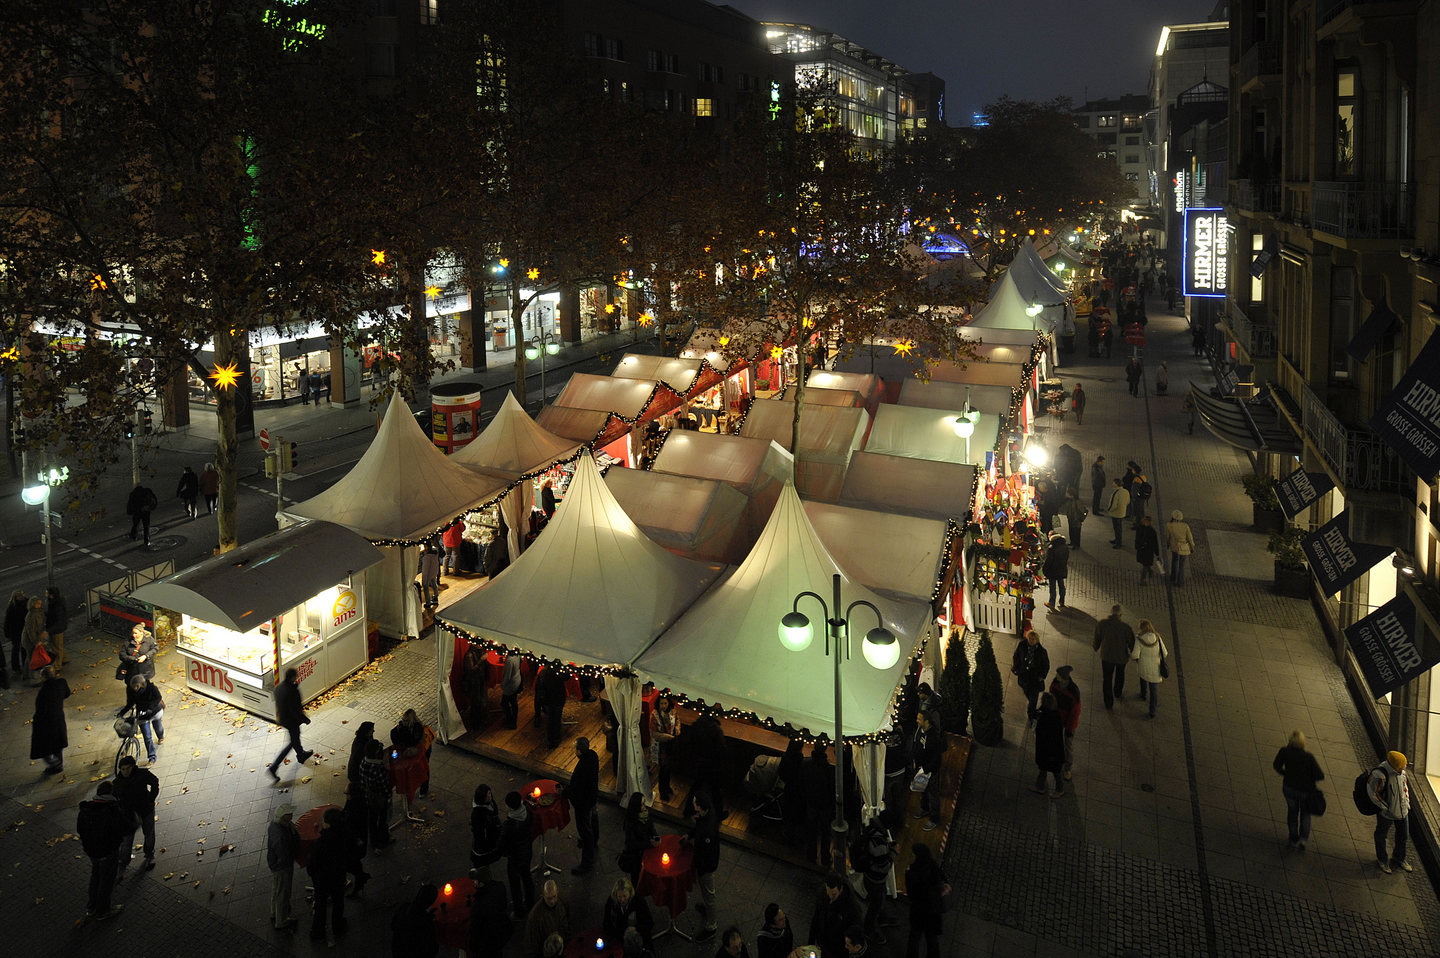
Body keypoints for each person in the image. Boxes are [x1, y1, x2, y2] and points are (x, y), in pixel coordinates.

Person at [77, 780, 134, 921]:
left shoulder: (85, 810)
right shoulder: (111, 811)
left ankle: (91, 907)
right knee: (107, 880)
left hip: (92, 852)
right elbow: (126, 828)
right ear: (111, 794)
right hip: (108, 852)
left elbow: (80, 830)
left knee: (95, 876)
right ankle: (102, 911)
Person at [1272, 730, 1324, 849]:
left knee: (1292, 812)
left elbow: (1276, 765)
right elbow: (1320, 775)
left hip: (1289, 788)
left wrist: (1286, 774)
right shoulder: (1308, 757)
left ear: (1290, 741)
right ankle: (1303, 840)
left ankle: (1293, 837)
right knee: (1305, 814)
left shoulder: (1284, 751)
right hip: (1305, 791)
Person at [307, 807, 350, 944]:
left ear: (328, 823)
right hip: (338, 876)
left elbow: (312, 864)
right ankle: (338, 926)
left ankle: (318, 932)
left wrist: (313, 874)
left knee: (320, 904)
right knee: (338, 901)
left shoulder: (321, 842)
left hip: (322, 880)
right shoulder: (343, 836)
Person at [114, 755, 160, 874]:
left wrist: (151, 799)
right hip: (129, 815)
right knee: (127, 841)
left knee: (148, 833)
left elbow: (154, 781)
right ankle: (123, 863)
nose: (125, 771)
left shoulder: (141, 774)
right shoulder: (117, 783)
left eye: (128, 768)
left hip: (145, 810)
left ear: (133, 767)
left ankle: (149, 855)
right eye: (123, 769)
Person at [686, 789, 721, 942]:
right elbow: (699, 827)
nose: (693, 803)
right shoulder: (708, 812)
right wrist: (690, 835)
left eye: (695, 802)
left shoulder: (708, 829)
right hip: (707, 863)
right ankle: (707, 908)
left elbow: (706, 853)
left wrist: (700, 869)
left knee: (709, 894)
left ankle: (711, 926)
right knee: (707, 892)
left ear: (699, 807)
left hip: (706, 866)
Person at [1369, 751, 1413, 873]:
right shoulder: (1379, 775)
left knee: (1403, 835)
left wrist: (1406, 803)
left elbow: (1404, 788)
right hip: (1387, 814)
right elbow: (1372, 793)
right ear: (1396, 766)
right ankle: (1382, 859)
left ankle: (1399, 857)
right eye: (1403, 764)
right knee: (1381, 835)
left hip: (1402, 811)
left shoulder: (1402, 773)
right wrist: (1385, 807)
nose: (1406, 766)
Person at [683, 707, 728, 821]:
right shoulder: (716, 729)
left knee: (696, 786)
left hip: (700, 761)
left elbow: (691, 742)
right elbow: (721, 749)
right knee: (716, 790)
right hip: (713, 764)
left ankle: (688, 810)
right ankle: (718, 814)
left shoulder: (696, 725)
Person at [904, 844, 949, 958]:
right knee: (931, 937)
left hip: (918, 911)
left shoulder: (912, 872)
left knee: (915, 937)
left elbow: (911, 894)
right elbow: (938, 871)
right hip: (933, 911)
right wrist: (945, 881)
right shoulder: (931, 864)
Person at [267, 667, 313, 778]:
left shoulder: (279, 687)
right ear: (293, 677)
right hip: (291, 720)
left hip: (283, 719)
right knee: (293, 741)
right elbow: (295, 710)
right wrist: (304, 719)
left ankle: (301, 754)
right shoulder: (292, 691)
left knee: (295, 737)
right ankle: (274, 767)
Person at [564, 736, 600, 874]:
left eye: (575, 748)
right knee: (593, 818)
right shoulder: (593, 756)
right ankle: (594, 839)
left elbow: (577, 790)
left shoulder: (583, 767)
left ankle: (586, 864)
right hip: (592, 797)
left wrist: (564, 792)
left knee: (585, 831)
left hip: (583, 803)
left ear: (579, 751)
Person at [856, 817, 895, 943]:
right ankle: (869, 930)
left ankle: (882, 918)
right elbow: (884, 867)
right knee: (875, 905)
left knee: (880, 898)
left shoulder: (872, 829)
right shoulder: (879, 844)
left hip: (868, 875)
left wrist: (888, 848)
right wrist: (893, 853)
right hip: (875, 880)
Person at [808, 870, 860, 958]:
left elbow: (854, 932)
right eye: (828, 893)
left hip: (837, 949)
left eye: (834, 894)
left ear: (841, 889)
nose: (830, 897)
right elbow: (816, 916)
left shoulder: (852, 908)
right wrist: (811, 940)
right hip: (822, 942)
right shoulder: (822, 894)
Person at [1093, 605, 1135, 711]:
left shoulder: (1103, 623)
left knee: (1107, 678)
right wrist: (1134, 653)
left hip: (1107, 656)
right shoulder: (1125, 627)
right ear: (1120, 615)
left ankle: (1108, 703)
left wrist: (1096, 646)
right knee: (1120, 674)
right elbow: (1131, 642)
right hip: (1121, 657)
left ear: (1111, 612)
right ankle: (1117, 692)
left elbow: (1097, 636)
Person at [909, 710, 946, 832]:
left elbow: (937, 760)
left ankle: (934, 818)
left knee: (933, 795)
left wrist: (925, 769)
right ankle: (924, 808)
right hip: (920, 769)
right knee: (923, 790)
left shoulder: (935, 738)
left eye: (919, 719)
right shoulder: (920, 731)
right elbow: (917, 745)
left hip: (930, 772)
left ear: (927, 722)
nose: (917, 721)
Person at [501, 791, 536, 916]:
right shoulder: (527, 811)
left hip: (515, 857)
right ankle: (530, 901)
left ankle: (519, 911)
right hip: (527, 851)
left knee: (515, 883)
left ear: (510, 807)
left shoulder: (509, 824)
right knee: (526, 876)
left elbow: (502, 843)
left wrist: (504, 852)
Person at [267, 803, 301, 930]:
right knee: (283, 893)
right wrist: (285, 865)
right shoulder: (281, 835)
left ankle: (274, 912)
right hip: (282, 867)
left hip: (275, 865)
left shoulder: (274, 825)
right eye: (289, 813)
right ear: (283, 816)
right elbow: (283, 854)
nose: (291, 815)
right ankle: (281, 921)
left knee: (277, 888)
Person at [31, 665, 70, 774]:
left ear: (43, 677)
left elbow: (41, 709)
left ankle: (54, 764)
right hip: (59, 719)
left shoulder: (44, 691)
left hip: (47, 723)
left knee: (43, 747)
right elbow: (67, 694)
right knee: (59, 745)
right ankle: (59, 764)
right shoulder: (62, 683)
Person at [802, 737, 835, 867]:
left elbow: (801, 782)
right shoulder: (829, 769)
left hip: (811, 802)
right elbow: (832, 789)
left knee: (812, 831)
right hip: (825, 805)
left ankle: (811, 856)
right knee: (826, 832)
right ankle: (825, 858)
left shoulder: (805, 763)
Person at [468, 865, 513, 958]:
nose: (473, 882)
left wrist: (474, 948)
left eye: (475, 880)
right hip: (503, 930)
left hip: (489, 940)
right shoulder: (500, 887)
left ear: (481, 884)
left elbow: (475, 929)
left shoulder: (479, 905)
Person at [1027, 692, 1067, 798]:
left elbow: (1042, 729)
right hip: (1051, 747)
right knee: (1046, 768)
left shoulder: (1047, 715)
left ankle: (1059, 789)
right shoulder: (1054, 713)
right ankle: (1040, 786)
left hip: (1049, 748)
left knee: (1053, 770)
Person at [617, 791, 659, 889]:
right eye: (642, 804)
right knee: (636, 877)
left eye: (644, 803)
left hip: (645, 851)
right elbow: (632, 843)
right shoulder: (630, 822)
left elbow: (651, 828)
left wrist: (655, 836)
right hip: (635, 855)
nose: (645, 806)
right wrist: (650, 844)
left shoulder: (646, 815)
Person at [603, 877, 655, 955]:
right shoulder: (611, 902)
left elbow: (649, 923)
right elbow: (606, 923)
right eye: (620, 897)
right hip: (618, 937)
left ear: (630, 894)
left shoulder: (639, 901)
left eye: (625, 896)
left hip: (637, 937)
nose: (622, 900)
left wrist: (636, 929)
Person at [120, 674, 164, 764]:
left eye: (137, 686)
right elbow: (130, 703)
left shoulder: (151, 688)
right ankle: (152, 757)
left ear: (142, 684)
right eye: (133, 686)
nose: (135, 688)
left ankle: (161, 736)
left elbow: (158, 697)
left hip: (154, 711)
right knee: (147, 736)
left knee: (158, 728)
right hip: (142, 714)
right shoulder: (130, 691)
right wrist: (122, 712)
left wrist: (151, 708)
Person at [391, 708, 434, 798]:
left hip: (423, 751)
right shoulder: (402, 726)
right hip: (413, 750)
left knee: (423, 768)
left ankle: (424, 789)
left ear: (410, 720)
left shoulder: (417, 728)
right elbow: (395, 737)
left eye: (405, 720)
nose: (403, 722)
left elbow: (413, 741)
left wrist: (404, 733)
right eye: (402, 719)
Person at [523, 880, 572, 958]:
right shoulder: (534, 917)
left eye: (554, 896)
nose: (552, 901)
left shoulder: (562, 899)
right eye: (549, 898)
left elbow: (569, 920)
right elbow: (531, 946)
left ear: (557, 892)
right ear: (543, 895)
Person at [1130, 619, 1168, 719]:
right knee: (1154, 689)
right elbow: (1164, 653)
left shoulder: (1139, 639)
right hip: (1155, 667)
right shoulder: (1157, 638)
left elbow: (1135, 655)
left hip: (1143, 666)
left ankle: (1143, 694)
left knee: (1143, 678)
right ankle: (1152, 711)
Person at [361, 739, 394, 850]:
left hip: (368, 797)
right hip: (380, 799)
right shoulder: (378, 768)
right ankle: (384, 840)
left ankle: (373, 841)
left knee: (372, 819)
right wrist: (389, 795)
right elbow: (384, 787)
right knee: (383, 820)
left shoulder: (363, 762)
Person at [1049, 667, 1081, 781]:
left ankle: (1067, 768)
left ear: (1063, 678)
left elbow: (1075, 712)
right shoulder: (1055, 684)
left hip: (1068, 721)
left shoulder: (1073, 691)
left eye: (1058, 674)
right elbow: (1051, 698)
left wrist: (1069, 728)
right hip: (1057, 718)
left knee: (1068, 745)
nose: (1056, 676)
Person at [1011, 630, 1050, 721]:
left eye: (1033, 639)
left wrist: (1041, 677)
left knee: (1033, 698)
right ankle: (1032, 709)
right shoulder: (1022, 646)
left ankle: (1031, 714)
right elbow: (1016, 656)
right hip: (1024, 676)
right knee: (1027, 691)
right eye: (1030, 638)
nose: (1031, 641)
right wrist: (1017, 668)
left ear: (1037, 640)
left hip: (1035, 678)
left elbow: (1046, 665)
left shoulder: (1042, 651)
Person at [391, 884, 439, 958]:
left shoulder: (404, 907)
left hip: (397, 950)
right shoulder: (426, 926)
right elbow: (432, 950)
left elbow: (393, 925)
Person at [651, 694, 679, 801]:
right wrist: (666, 737)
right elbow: (653, 733)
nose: (663, 706)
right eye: (661, 703)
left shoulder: (672, 711)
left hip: (670, 743)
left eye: (665, 703)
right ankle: (662, 791)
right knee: (663, 769)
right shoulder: (654, 715)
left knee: (669, 767)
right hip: (661, 745)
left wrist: (677, 728)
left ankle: (667, 786)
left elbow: (677, 720)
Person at [471, 784, 502, 866]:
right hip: (485, 838)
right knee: (483, 859)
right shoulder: (477, 814)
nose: (489, 797)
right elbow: (478, 833)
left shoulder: (490, 803)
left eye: (489, 793)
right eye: (486, 795)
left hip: (492, 833)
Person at [21, 596, 47, 682]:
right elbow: (30, 631)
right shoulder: (30, 616)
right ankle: (34, 679)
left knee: (30, 657)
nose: (39, 605)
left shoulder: (39, 612)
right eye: (37, 604)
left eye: (39, 603)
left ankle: (26, 675)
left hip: (36, 638)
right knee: (32, 659)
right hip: (30, 640)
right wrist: (36, 641)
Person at [1042, 531, 1069, 611]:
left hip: (1053, 570)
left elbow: (1048, 561)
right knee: (1061, 584)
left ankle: (1051, 603)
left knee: (1052, 587)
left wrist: (1044, 569)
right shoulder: (1064, 545)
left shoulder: (1052, 547)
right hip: (1062, 568)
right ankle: (1062, 600)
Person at [1167, 511, 1195, 586]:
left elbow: (1167, 537)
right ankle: (1180, 581)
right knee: (1182, 565)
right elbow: (1189, 538)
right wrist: (1192, 547)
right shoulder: (1185, 526)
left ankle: (1173, 577)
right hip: (1183, 547)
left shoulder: (1169, 525)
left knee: (1174, 561)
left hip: (1174, 546)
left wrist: (1167, 545)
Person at [44, 585, 68, 668]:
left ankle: (57, 665)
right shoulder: (57, 601)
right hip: (57, 628)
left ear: (51, 595)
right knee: (58, 646)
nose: (45, 595)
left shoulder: (56, 605)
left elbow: (58, 621)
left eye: (47, 593)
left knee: (56, 648)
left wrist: (48, 631)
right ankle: (64, 658)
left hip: (56, 630)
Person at [4, 588, 25, 680]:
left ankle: (23, 664)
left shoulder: (21, 603)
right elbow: (7, 622)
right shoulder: (11, 607)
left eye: (22, 594)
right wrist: (7, 635)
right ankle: (16, 667)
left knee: (23, 648)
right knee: (16, 649)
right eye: (20, 595)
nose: (22, 596)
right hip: (16, 632)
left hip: (21, 630)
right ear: (15, 597)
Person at [347, 721, 376, 789]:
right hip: (356, 773)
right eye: (372, 730)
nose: (373, 731)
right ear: (366, 733)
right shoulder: (362, 745)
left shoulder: (363, 739)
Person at [1135, 515, 1161, 584]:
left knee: (1145, 563)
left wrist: (1137, 546)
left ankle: (1150, 572)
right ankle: (1142, 580)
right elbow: (1155, 543)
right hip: (1148, 551)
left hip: (1141, 549)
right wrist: (1157, 554)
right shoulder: (1152, 531)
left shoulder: (1140, 528)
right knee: (1146, 565)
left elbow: (1137, 538)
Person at [500, 652, 523, 729]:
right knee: (513, 702)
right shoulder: (517, 655)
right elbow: (522, 660)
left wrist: (503, 685)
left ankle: (510, 720)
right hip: (517, 680)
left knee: (504, 703)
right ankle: (513, 721)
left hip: (511, 685)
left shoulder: (509, 661)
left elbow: (507, 676)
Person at [1106, 478, 1130, 550]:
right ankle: (1117, 539)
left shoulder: (1116, 493)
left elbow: (1113, 505)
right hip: (1122, 512)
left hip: (1116, 513)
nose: (1112, 483)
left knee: (1117, 528)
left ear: (1116, 484)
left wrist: (1109, 510)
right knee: (1119, 527)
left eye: (1113, 482)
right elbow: (1128, 501)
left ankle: (1118, 542)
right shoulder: (1126, 491)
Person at [1061, 488, 1087, 552]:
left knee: (1076, 532)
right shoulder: (1070, 500)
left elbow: (1083, 510)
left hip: (1076, 519)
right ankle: (1072, 542)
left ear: (1071, 495)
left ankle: (1076, 544)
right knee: (1071, 531)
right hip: (1071, 518)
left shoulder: (1077, 502)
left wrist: (1081, 519)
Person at [420, 542, 441, 607]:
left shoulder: (427, 557)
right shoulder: (435, 552)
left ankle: (428, 603)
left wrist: (424, 579)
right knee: (434, 584)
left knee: (426, 587)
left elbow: (426, 568)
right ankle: (435, 597)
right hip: (434, 571)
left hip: (428, 573)